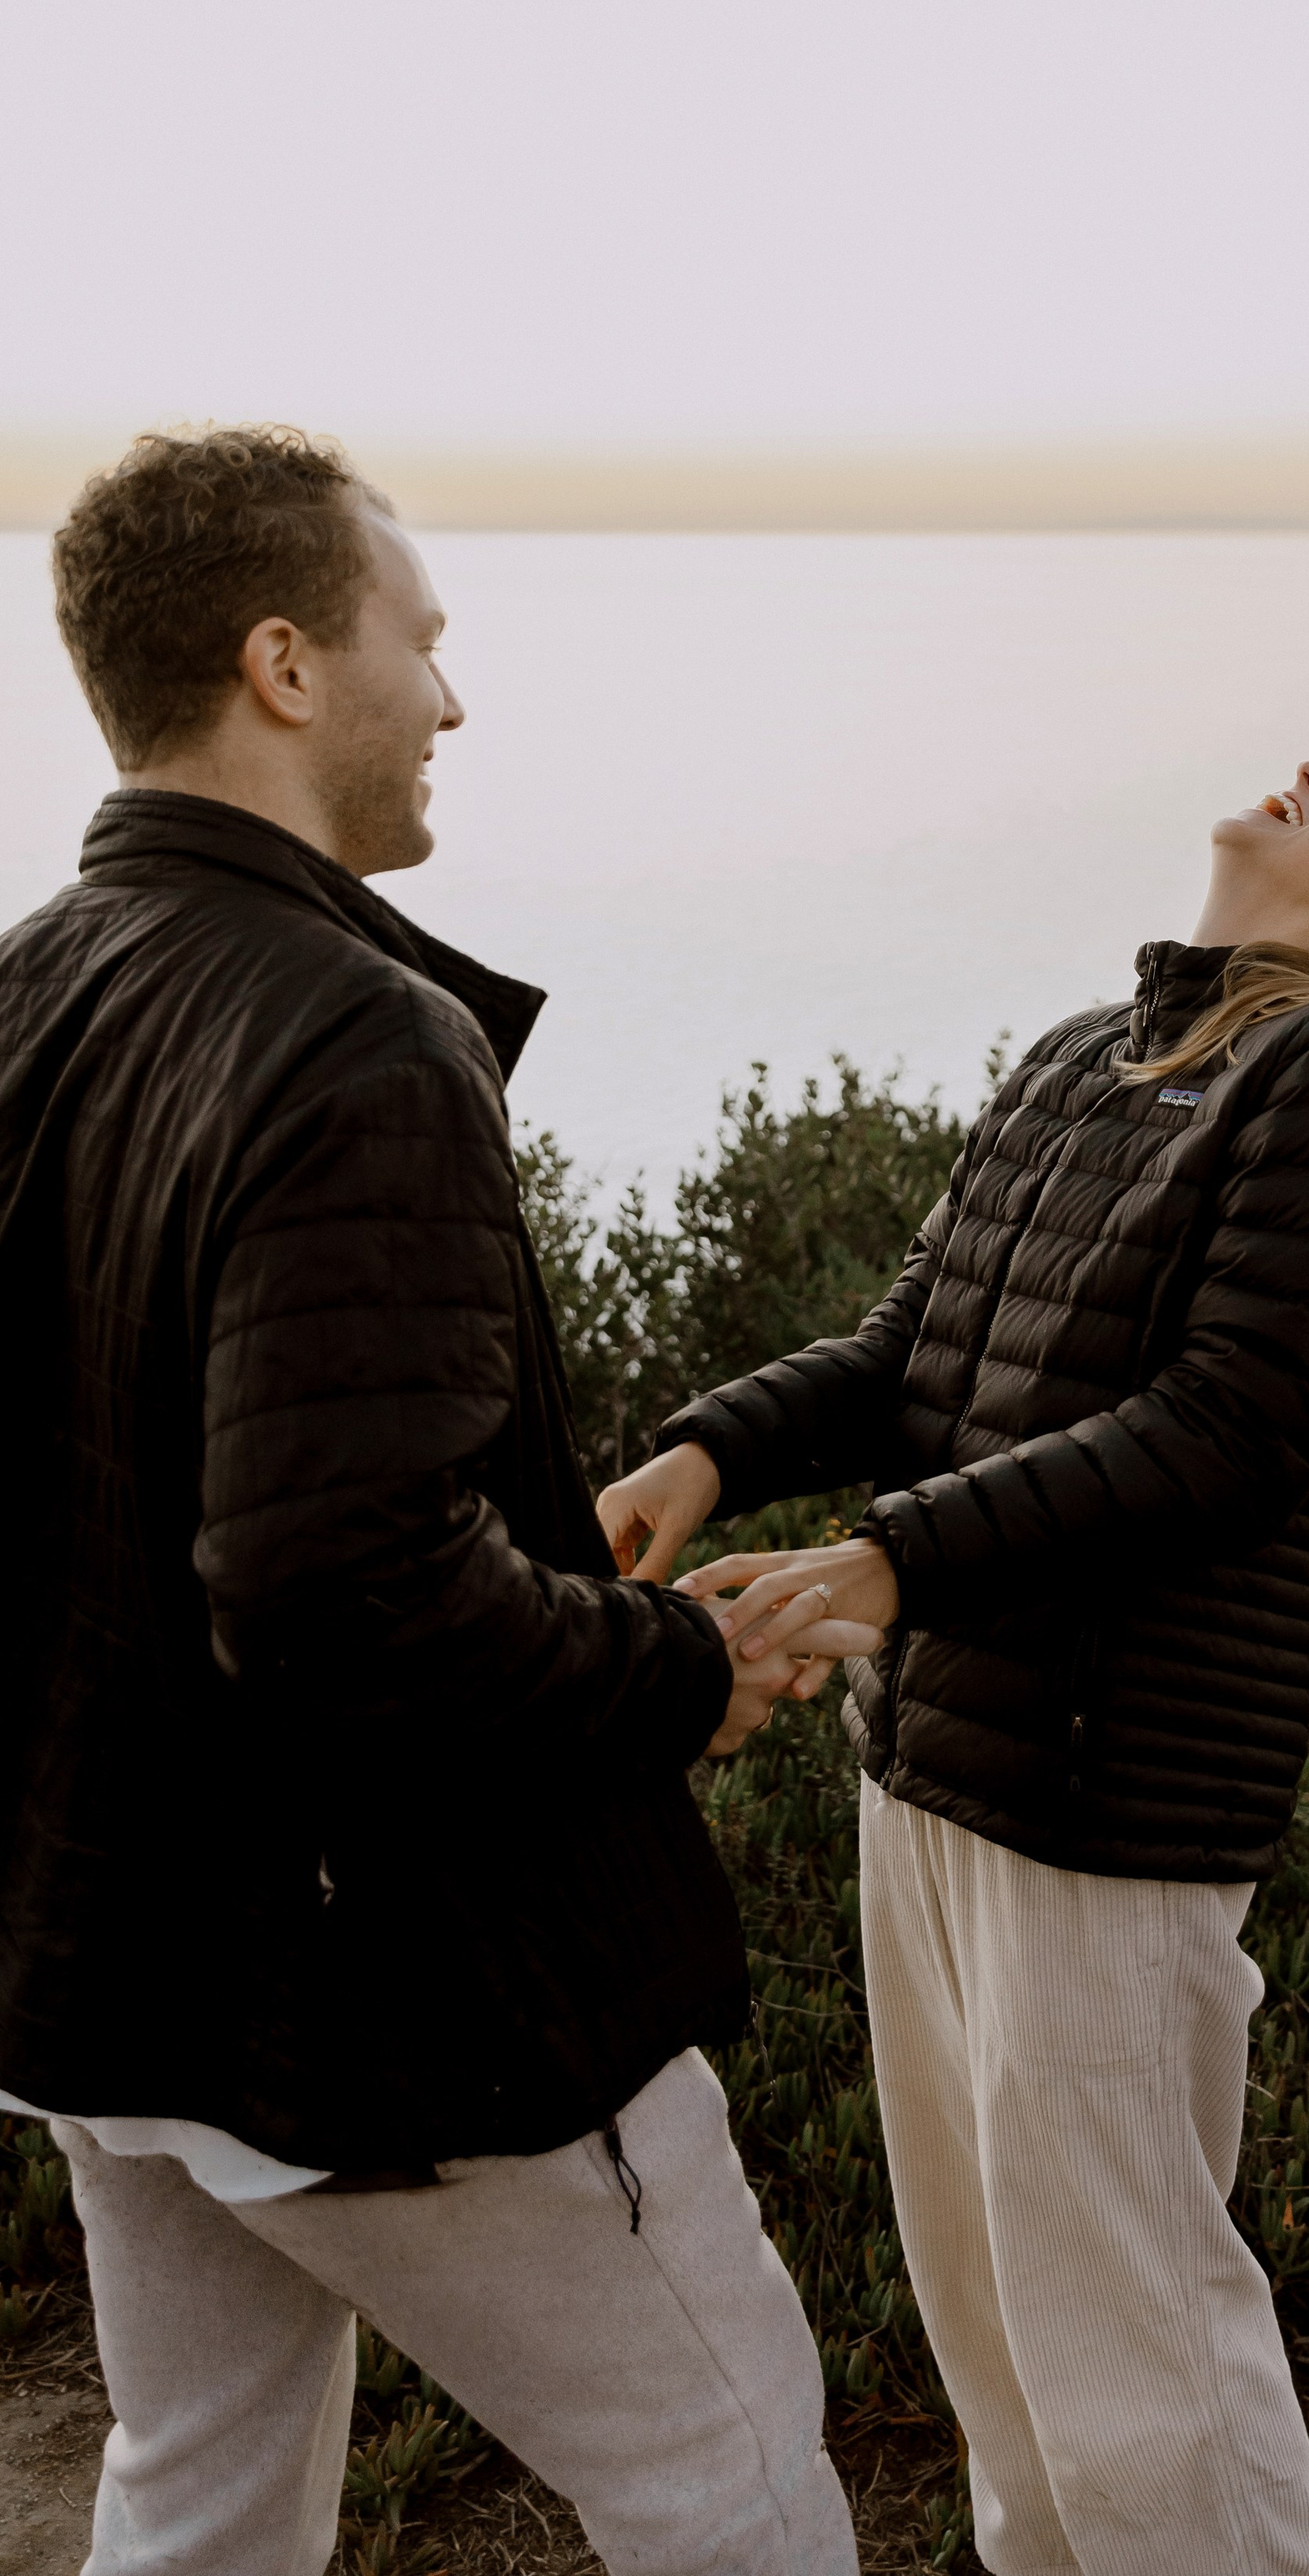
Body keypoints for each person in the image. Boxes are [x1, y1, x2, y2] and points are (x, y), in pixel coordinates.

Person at [0, 426, 876, 2576]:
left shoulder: (29, 980)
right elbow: (332, 1589)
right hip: (382, 1989)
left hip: (110, 1961)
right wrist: (675, 1664)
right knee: (732, 2477)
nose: (454, 700)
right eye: (426, 638)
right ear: (285, 663)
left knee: (194, 2502)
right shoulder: (359, 1034)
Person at [602, 759, 1309, 2576]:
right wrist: (704, 1447)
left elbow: (1228, 1428)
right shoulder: (1089, 1051)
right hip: (937, 1765)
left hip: (1111, 1799)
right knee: (1006, 2361)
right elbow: (908, 1347)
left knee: (1142, 2372)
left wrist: (892, 1555)